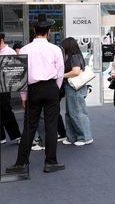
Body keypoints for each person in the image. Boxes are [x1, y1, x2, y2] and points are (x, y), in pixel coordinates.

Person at [6, 14, 65, 174]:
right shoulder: (55, 49)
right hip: (51, 88)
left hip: (33, 90)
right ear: (49, 31)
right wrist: (55, 89)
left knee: (29, 126)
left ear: (33, 30)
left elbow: (22, 76)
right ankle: (51, 162)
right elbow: (60, 73)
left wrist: (24, 97)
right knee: (51, 126)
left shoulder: (24, 49)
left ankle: (21, 163)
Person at [60, 37, 93, 146]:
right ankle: (72, 137)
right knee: (71, 113)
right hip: (72, 87)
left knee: (77, 112)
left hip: (75, 88)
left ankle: (85, 137)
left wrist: (61, 75)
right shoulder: (75, 56)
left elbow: (76, 72)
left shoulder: (73, 57)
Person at [0, 33, 22, 145]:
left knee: (6, 109)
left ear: (2, 39)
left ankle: (16, 135)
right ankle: (1, 137)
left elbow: (16, 69)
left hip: (4, 85)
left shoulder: (10, 52)